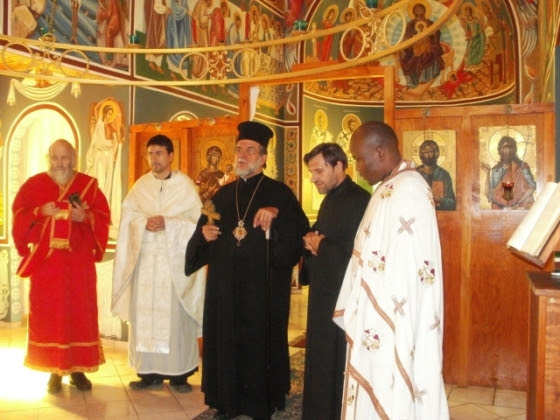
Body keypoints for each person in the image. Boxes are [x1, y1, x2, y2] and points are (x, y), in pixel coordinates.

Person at [185, 121, 309, 419]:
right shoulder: (221, 195)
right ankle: (225, 401)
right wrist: (204, 237)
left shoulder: (280, 194)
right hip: (225, 289)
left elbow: (300, 232)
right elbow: (201, 234)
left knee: (259, 343)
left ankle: (259, 404)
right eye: (239, 149)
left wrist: (276, 217)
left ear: (263, 157)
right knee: (226, 341)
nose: (242, 155)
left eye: (250, 150)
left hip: (263, 290)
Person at [333, 121, 449, 419]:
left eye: (359, 158)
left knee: (393, 384)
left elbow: (408, 265)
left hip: (395, 310)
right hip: (382, 305)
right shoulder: (391, 186)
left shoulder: (406, 190)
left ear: (380, 152)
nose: (357, 166)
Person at [11, 139, 110, 394]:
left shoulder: (88, 185)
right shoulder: (34, 185)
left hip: (78, 266)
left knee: (78, 314)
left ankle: (77, 371)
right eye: (55, 158)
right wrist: (39, 211)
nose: (60, 163)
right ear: (49, 158)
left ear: (73, 158)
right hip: (48, 266)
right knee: (50, 315)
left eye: (64, 158)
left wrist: (85, 216)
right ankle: (55, 371)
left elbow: (103, 217)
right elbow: (19, 215)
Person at [111, 134, 206, 393]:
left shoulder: (185, 186)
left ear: (171, 155)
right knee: (145, 316)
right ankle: (148, 372)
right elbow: (128, 218)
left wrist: (169, 223)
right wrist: (143, 223)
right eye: (150, 154)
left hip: (174, 268)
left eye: (159, 153)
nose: (154, 159)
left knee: (176, 318)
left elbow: (197, 224)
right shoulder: (140, 186)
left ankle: (179, 375)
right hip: (145, 267)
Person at [301, 143, 370, 420]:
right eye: (311, 172)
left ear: (339, 165)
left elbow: (360, 254)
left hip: (344, 297)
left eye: (318, 170)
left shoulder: (360, 200)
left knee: (336, 359)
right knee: (321, 357)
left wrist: (322, 245)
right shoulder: (330, 198)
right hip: (323, 292)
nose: (314, 178)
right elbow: (328, 237)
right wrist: (311, 240)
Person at [481, 135, 536, 209]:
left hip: (520, 208)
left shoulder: (522, 167)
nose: (507, 151)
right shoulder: (496, 170)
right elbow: (489, 195)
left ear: (514, 150)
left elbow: (532, 187)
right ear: (500, 150)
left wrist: (517, 204)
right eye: (504, 148)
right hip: (501, 210)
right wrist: (487, 173)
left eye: (510, 147)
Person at [399, 1, 445, 89]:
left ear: (424, 11)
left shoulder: (430, 23)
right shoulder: (410, 24)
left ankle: (425, 78)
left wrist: (432, 37)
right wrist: (411, 40)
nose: (419, 12)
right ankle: (412, 82)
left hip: (428, 46)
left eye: (421, 10)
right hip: (413, 47)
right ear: (414, 12)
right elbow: (407, 36)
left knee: (427, 55)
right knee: (407, 59)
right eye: (417, 10)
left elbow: (436, 33)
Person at [417, 139, 456, 210]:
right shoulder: (415, 174)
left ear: (436, 153)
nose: (427, 155)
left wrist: (441, 200)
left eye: (430, 152)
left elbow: (452, 203)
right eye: (425, 152)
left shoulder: (443, 175)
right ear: (421, 154)